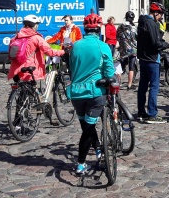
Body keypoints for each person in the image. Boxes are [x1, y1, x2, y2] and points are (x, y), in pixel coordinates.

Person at [68, 13, 116, 174]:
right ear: (98, 29)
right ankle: (81, 164)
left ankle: (98, 150)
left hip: (76, 93)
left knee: (87, 126)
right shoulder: (102, 46)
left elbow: (72, 68)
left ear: (85, 29)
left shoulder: (75, 46)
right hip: (95, 92)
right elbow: (109, 72)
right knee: (88, 131)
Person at [137, 2, 169, 123]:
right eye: (160, 14)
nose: (161, 17)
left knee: (142, 87)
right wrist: (167, 44)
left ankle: (141, 111)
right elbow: (156, 43)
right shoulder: (151, 24)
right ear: (156, 13)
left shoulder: (141, 22)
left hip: (143, 58)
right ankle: (152, 114)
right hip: (152, 59)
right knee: (154, 87)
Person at [7, 15, 64, 83]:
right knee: (38, 90)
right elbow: (49, 52)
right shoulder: (36, 38)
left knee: (21, 90)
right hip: (31, 70)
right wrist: (63, 51)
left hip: (16, 70)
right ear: (35, 25)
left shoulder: (16, 37)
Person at [117, 11, 138, 90]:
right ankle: (129, 84)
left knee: (121, 66)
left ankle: (118, 82)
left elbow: (117, 36)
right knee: (131, 66)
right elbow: (136, 37)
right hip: (133, 50)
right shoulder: (134, 27)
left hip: (123, 49)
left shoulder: (120, 26)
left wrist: (122, 43)